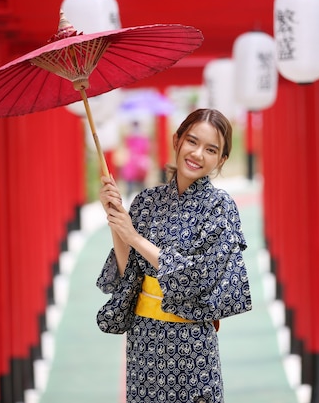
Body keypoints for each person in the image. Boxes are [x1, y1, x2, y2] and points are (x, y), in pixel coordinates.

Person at [96, 108, 252, 403]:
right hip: (144, 343)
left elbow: (197, 278)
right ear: (176, 140)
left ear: (222, 160)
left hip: (191, 347)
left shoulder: (220, 207)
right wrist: (116, 218)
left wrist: (134, 237)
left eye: (211, 149)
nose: (197, 153)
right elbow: (126, 273)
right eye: (192, 141)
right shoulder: (147, 201)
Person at [121, 120, 151, 196]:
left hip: (136, 164)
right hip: (136, 164)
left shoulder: (131, 138)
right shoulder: (141, 138)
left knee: (136, 186)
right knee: (137, 186)